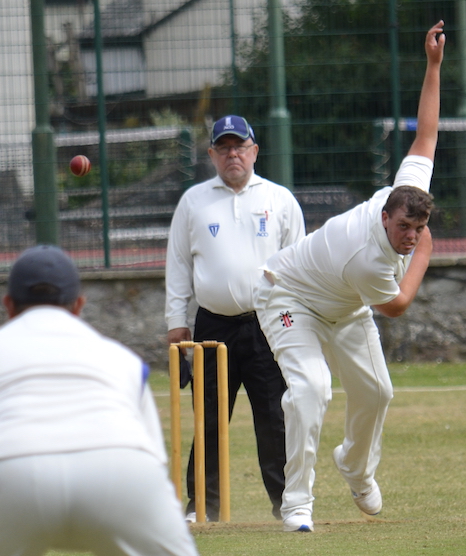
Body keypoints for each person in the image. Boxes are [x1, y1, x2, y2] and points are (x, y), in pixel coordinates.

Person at [256, 21, 446, 533]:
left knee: (377, 393)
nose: (411, 235)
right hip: (288, 296)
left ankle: (355, 467)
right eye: (405, 228)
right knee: (312, 389)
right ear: (386, 216)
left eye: (419, 228)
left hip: (341, 305)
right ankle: (297, 504)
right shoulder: (368, 257)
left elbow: (426, 133)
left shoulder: (406, 189)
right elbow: (397, 305)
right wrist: (427, 250)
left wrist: (432, 66)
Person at [0, 245, 198, 556]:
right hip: (121, 473)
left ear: (8, 305)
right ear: (79, 305)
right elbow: (153, 463)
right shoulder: (125, 360)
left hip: (9, 473)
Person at [165, 115, 305, 522]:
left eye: (239, 146)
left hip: (269, 324)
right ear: (211, 154)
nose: (232, 154)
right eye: (223, 148)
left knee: (275, 416)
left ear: (254, 151)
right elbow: (177, 266)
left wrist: (301, 321)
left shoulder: (279, 199)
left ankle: (288, 505)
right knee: (207, 417)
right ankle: (203, 506)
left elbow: (300, 264)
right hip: (214, 326)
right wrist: (176, 322)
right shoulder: (194, 201)